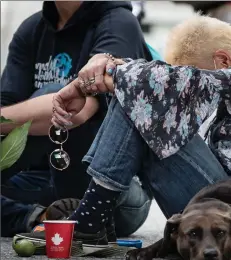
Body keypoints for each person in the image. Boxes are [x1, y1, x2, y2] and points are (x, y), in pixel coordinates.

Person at [17, 15, 231, 250]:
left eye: (195, 72)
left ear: (223, 60)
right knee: (143, 96)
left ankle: (90, 218)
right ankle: (93, 216)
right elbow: (163, 80)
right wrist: (114, 69)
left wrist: (98, 74)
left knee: (143, 99)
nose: (189, 88)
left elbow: (163, 83)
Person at [0, 1, 155, 238]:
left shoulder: (118, 24)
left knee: (56, 96)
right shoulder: (32, 29)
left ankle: (40, 218)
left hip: (110, 192)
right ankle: (37, 218)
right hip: (41, 181)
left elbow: (78, 110)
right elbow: (6, 106)